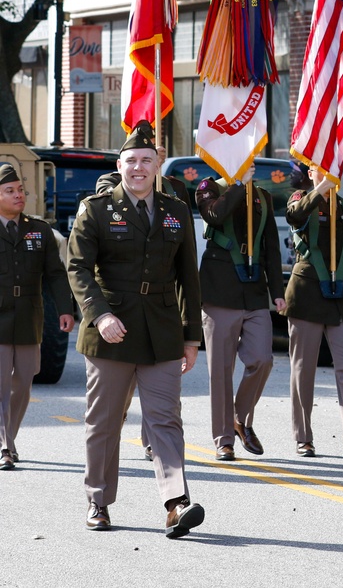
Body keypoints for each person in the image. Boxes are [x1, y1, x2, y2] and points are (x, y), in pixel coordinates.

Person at [67, 124, 204, 538]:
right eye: (132, 161)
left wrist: (191, 337)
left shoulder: (176, 210)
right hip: (112, 330)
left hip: (161, 330)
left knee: (165, 419)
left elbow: (188, 279)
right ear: (120, 166)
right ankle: (98, 500)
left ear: (158, 164)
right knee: (105, 422)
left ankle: (176, 503)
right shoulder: (96, 209)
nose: (139, 168)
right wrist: (100, 314)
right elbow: (77, 268)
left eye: (147, 160)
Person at [285, 164, 343, 459]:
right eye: (319, 170)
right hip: (307, 296)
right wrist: (321, 190)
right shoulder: (300, 200)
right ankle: (304, 437)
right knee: (304, 370)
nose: (325, 175)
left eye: (331, 171)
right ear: (310, 173)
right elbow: (294, 216)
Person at [196, 164, 285, 461]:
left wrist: (278, 292)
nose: (252, 162)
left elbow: (270, 245)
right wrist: (237, 184)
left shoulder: (262, 196)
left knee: (262, 359)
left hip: (254, 290)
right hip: (219, 291)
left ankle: (240, 417)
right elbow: (214, 215)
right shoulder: (209, 187)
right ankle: (224, 439)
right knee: (221, 371)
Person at [0, 164, 74, 470]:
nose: (19, 196)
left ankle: (9, 438)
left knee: (24, 382)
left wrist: (66, 308)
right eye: (10, 191)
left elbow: (56, 275)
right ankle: (5, 445)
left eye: (20, 190)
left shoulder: (39, 230)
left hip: (30, 315)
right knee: (2, 383)